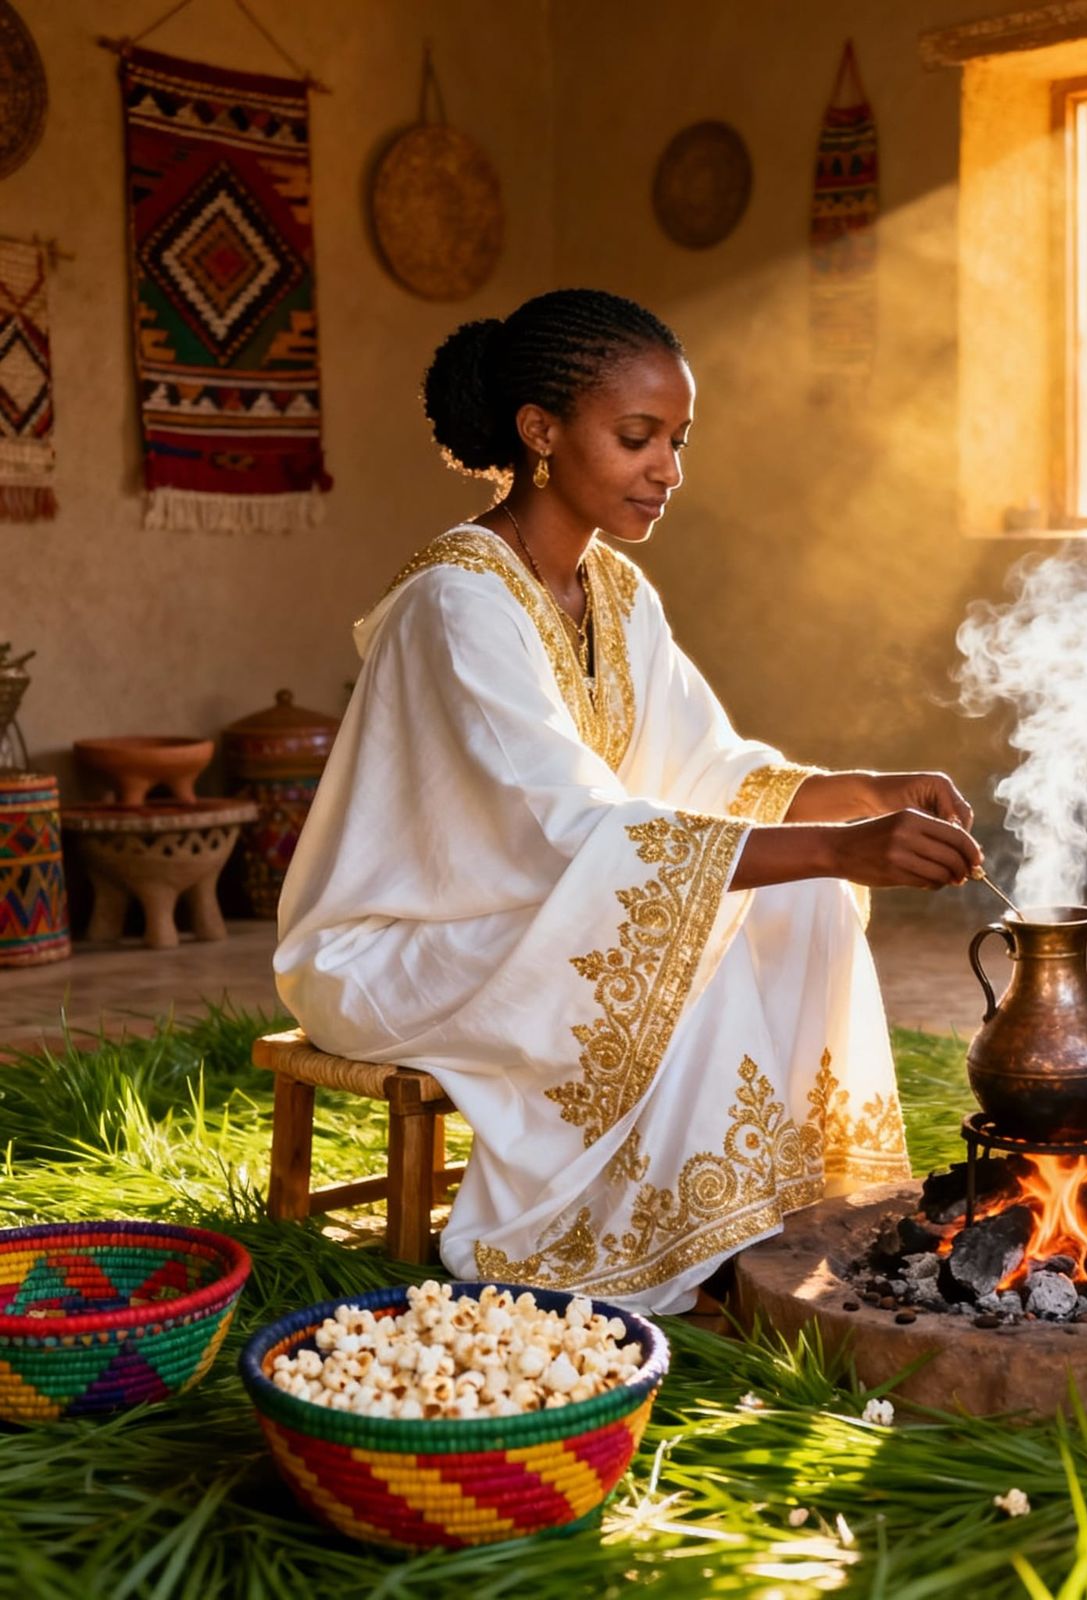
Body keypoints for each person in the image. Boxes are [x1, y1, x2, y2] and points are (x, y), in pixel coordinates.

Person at [275, 288, 983, 1312]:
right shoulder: (456, 603)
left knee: (799, 896)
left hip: (527, 915)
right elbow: (574, 834)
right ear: (541, 432)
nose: (669, 469)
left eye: (678, 440)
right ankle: (672, 1248)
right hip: (399, 950)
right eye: (639, 436)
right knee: (688, 919)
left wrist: (861, 797)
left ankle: (783, 1216)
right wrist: (842, 844)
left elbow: (706, 769)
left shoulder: (614, 591)